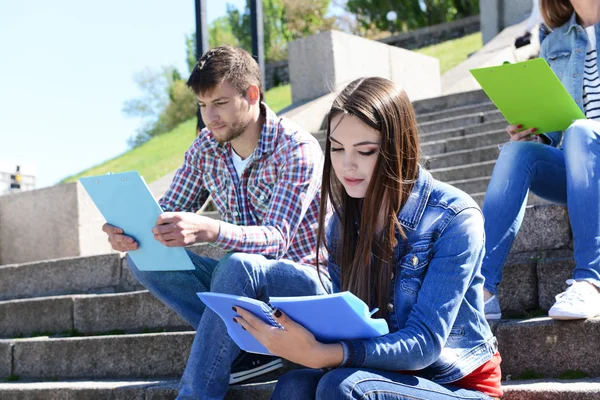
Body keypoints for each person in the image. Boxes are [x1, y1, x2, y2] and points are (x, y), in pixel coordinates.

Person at [233, 77, 503, 400]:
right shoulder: (342, 227)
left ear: (396, 148)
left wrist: (328, 353)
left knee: (342, 386)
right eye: (336, 148)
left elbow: (424, 343)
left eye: (365, 151)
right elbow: (346, 325)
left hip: (457, 385)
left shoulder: (455, 219)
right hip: (383, 377)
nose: (347, 165)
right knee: (293, 385)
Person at [101, 45, 325, 399]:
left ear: (252, 95)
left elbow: (277, 238)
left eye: (220, 103)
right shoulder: (206, 147)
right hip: (244, 287)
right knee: (146, 256)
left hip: (307, 287)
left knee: (237, 266)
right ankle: (248, 351)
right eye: (203, 106)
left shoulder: (295, 148)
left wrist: (210, 228)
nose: (210, 116)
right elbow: (166, 211)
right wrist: (132, 231)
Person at [482, 0, 600, 320]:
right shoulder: (555, 40)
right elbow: (555, 130)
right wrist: (531, 131)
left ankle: (590, 280)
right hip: (579, 165)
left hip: (589, 142)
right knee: (516, 152)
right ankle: (481, 291)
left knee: (581, 131)